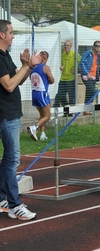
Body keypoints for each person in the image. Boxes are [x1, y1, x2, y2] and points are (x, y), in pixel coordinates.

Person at [0, 19, 41, 220]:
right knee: (12, 159)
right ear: (2, 35)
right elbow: (8, 85)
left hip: (10, 114)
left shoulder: (5, 55)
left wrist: (29, 67)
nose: (13, 35)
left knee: (9, 159)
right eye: (11, 32)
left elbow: (17, 79)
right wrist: (25, 67)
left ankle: (2, 199)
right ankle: (15, 205)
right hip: (4, 115)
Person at [27, 51, 55, 141]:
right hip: (42, 93)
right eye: (42, 54)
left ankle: (42, 134)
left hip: (34, 93)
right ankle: (34, 128)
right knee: (47, 116)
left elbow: (31, 78)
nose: (43, 56)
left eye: (44, 54)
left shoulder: (32, 69)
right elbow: (52, 80)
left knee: (42, 115)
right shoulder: (45, 67)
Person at [54, 40, 80, 112]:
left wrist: (76, 70)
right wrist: (61, 67)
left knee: (71, 96)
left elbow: (81, 62)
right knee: (60, 94)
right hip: (63, 78)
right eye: (65, 45)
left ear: (71, 46)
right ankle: (66, 109)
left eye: (68, 45)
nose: (66, 47)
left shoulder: (74, 54)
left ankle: (70, 111)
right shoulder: (63, 54)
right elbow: (62, 64)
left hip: (71, 79)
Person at [80, 40, 100, 115]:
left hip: (94, 77)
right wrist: (87, 73)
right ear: (94, 46)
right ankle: (87, 108)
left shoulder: (98, 56)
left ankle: (86, 109)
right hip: (87, 76)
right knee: (93, 91)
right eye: (97, 46)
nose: (98, 48)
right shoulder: (88, 53)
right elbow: (81, 63)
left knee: (89, 93)